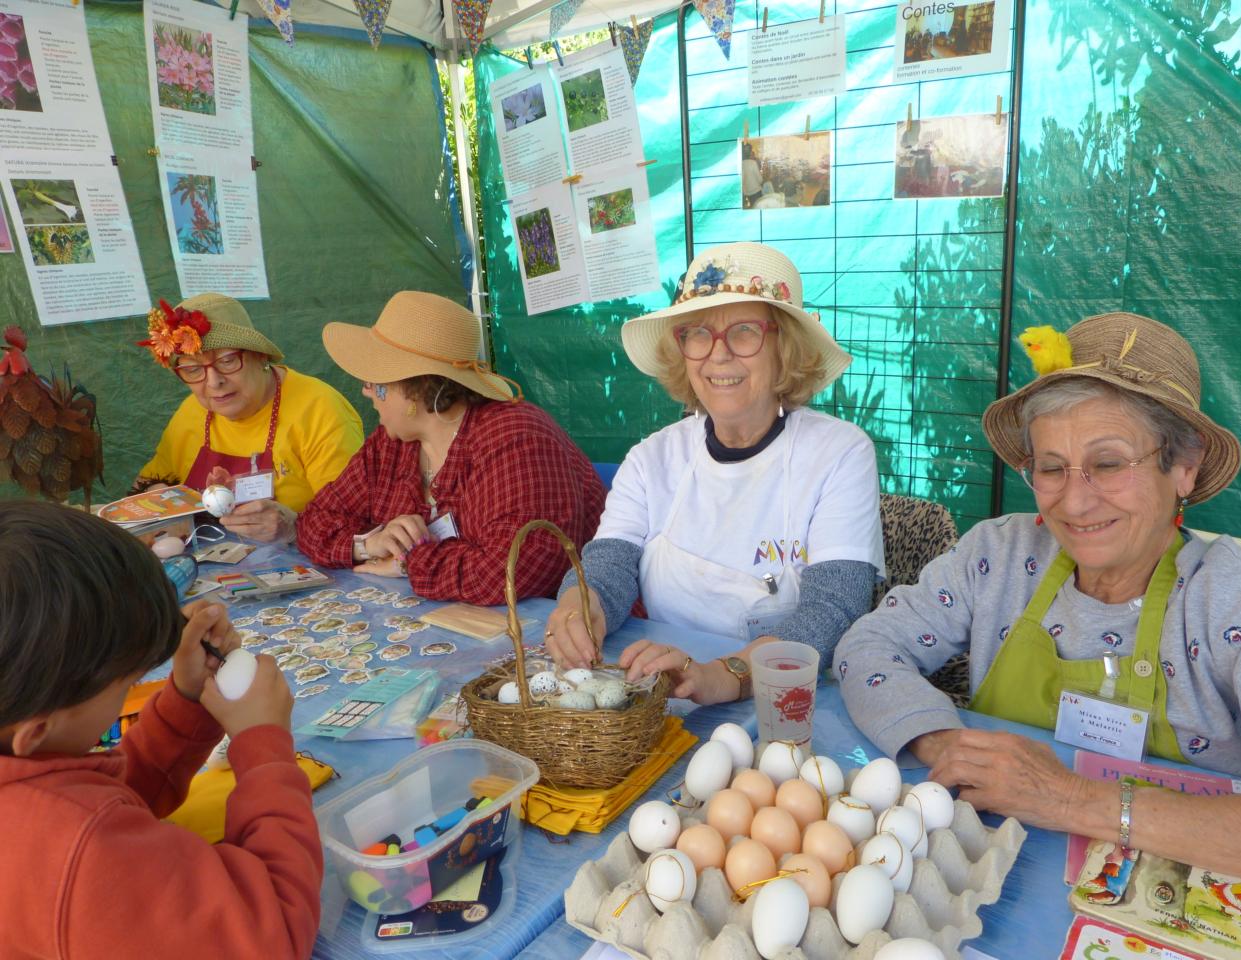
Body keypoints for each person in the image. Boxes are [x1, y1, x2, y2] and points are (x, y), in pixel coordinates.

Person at [836, 312, 1241, 881]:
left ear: (1184, 467)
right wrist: (945, 742)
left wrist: (1065, 797)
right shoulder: (999, 556)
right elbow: (868, 645)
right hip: (982, 869)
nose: (1073, 503)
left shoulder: (1239, 607)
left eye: (1108, 464)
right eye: (1051, 468)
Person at [545, 242, 884, 705]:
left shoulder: (838, 453)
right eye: (698, 334)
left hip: (785, 703)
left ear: (785, 348)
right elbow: (609, 567)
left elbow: (833, 609)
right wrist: (579, 605)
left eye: (744, 332)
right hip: (659, 689)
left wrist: (725, 675)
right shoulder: (652, 458)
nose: (718, 356)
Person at [0, 500, 321, 957]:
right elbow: (269, 935)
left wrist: (187, 700)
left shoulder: (35, 791)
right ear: (35, 732)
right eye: (127, 684)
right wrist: (264, 748)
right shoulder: (81, 850)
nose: (131, 689)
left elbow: (98, 801)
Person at [295, 291, 606, 605]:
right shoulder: (391, 444)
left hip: (553, 624)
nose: (366, 392)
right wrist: (369, 544)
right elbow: (314, 521)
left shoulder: (515, 438)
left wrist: (410, 561)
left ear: (415, 389)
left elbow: (513, 571)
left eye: (374, 381)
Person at [135, 293, 363, 542]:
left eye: (227, 361)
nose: (214, 382)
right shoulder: (192, 411)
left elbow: (359, 525)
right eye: (193, 369)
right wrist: (156, 495)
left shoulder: (320, 410)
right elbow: (147, 485)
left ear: (260, 356)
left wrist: (294, 527)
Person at [741, 142, 764, 208]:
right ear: (749, 152)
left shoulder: (741, 164)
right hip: (756, 191)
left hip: (747, 192)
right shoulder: (753, 162)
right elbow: (760, 179)